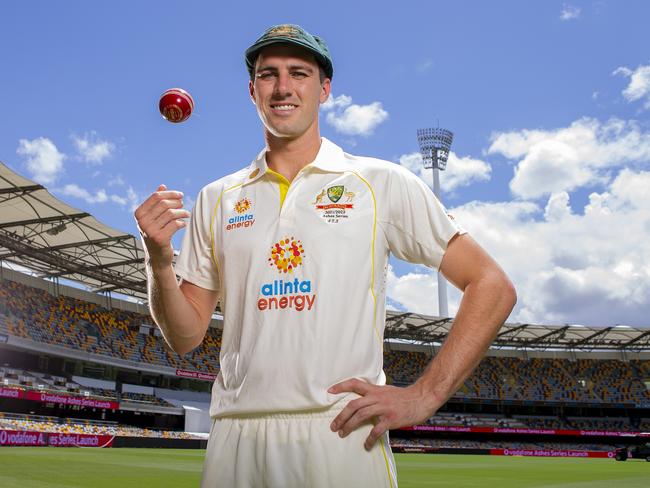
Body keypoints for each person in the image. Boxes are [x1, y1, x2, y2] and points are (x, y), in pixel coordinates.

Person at [134, 24, 516, 488]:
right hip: (236, 435)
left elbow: (492, 285)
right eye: (268, 74)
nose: (283, 86)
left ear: (325, 89)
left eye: (299, 73)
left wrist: (424, 396)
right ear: (252, 90)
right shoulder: (218, 198)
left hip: (339, 432)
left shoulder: (378, 183)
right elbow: (186, 335)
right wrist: (158, 260)